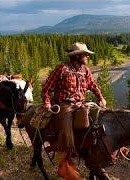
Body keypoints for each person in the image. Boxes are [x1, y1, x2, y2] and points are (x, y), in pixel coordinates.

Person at [42, 42, 106, 179]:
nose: (87, 57)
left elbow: (93, 85)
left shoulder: (85, 70)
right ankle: (65, 162)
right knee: (66, 131)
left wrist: (101, 97)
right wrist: (47, 103)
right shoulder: (62, 69)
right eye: (85, 55)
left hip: (81, 103)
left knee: (101, 116)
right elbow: (47, 88)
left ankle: (109, 149)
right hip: (65, 104)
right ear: (77, 56)